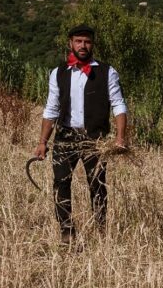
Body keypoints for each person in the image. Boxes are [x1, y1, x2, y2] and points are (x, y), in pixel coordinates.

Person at [33, 24, 128, 243]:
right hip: (65, 136)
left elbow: (119, 105)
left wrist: (120, 138)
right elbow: (51, 109)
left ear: (92, 44)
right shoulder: (58, 73)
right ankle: (67, 231)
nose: (83, 46)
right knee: (61, 182)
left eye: (87, 42)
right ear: (71, 43)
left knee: (97, 184)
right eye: (78, 41)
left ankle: (101, 231)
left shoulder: (108, 72)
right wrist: (42, 142)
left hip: (95, 139)